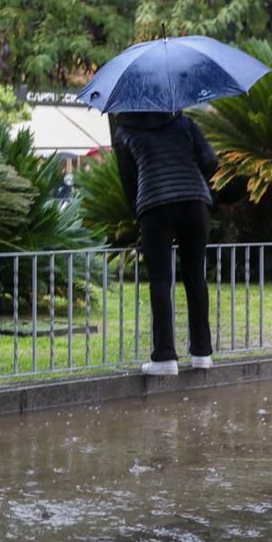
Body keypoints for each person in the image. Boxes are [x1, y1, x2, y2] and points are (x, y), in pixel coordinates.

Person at [111, 111, 219, 377]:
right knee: (195, 276)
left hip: (155, 204)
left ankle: (164, 357)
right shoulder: (184, 122)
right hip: (195, 201)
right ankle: (202, 354)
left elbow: (128, 181)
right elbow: (210, 160)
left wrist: (139, 212)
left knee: (160, 280)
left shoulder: (125, 132)